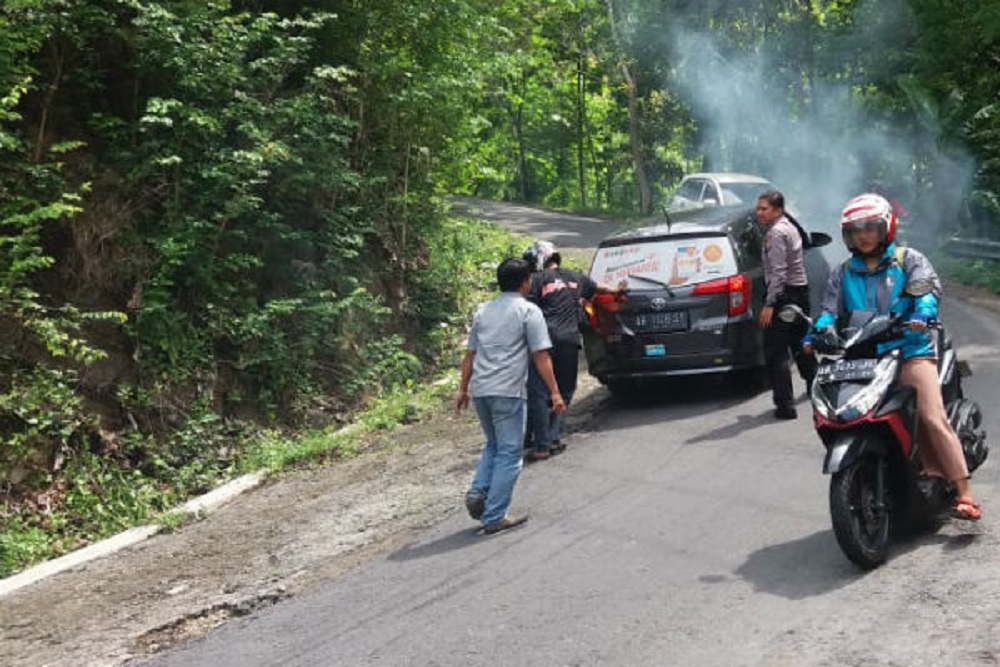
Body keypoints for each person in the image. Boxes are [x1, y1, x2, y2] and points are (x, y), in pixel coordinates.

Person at [803, 192, 982, 521]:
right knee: (841, 409)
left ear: (886, 227)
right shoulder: (842, 273)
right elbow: (828, 311)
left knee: (930, 416)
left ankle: (963, 491)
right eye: (856, 230)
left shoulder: (908, 259)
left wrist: (922, 314)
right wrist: (818, 331)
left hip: (911, 349)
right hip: (864, 354)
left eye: (870, 228)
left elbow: (927, 291)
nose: (863, 235)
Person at [454, 257, 566, 534]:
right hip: (508, 391)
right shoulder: (528, 311)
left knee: (494, 445)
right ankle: (494, 515)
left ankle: (479, 491)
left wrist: (462, 388)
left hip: (481, 389)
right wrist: (554, 392)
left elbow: (470, 354)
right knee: (510, 453)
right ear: (525, 281)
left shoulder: (483, 310)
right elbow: (541, 355)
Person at [521, 241, 617, 462]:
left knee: (540, 392)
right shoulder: (576, 277)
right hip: (570, 341)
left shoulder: (535, 281)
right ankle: (554, 438)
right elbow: (598, 289)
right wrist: (617, 291)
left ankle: (541, 443)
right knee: (564, 391)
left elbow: (523, 309)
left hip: (543, 342)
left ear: (538, 259)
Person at [756, 190, 817, 420]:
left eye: (764, 209)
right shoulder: (790, 226)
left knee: (776, 351)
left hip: (784, 296)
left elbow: (779, 273)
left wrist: (770, 303)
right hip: (799, 292)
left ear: (778, 210)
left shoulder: (776, 233)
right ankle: (817, 386)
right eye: (758, 208)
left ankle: (785, 406)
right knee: (802, 343)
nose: (759, 213)